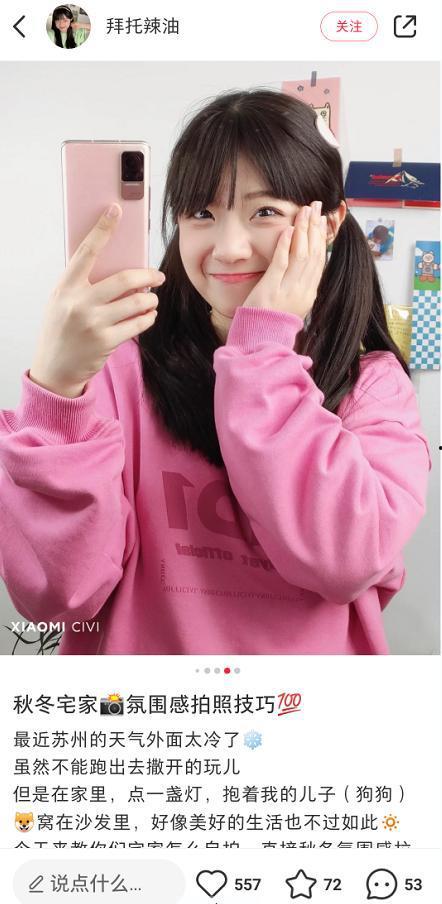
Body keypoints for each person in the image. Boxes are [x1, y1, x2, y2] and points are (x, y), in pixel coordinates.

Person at [0, 90, 430, 655]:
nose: (227, 249)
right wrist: (55, 396)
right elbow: (59, 597)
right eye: (201, 213)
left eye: (265, 212)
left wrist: (263, 350)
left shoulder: (372, 387)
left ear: (329, 224)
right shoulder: (120, 371)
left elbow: (345, 562)